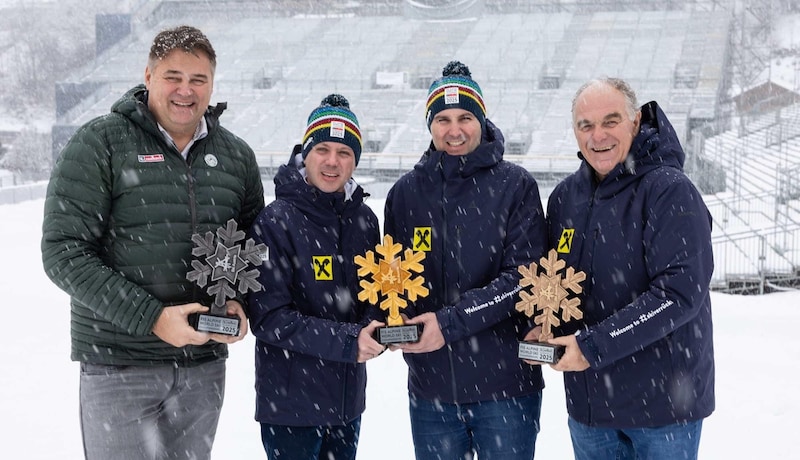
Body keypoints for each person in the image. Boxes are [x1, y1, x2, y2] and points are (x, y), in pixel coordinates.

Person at [40, 25, 265, 460]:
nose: (186, 90)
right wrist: (152, 318)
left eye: (198, 80)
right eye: (173, 76)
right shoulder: (100, 142)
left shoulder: (236, 156)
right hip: (120, 365)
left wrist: (239, 301)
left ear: (212, 85)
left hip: (202, 369)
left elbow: (252, 246)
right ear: (148, 76)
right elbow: (63, 251)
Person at [533, 77, 715, 460]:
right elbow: (559, 283)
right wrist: (549, 324)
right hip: (590, 409)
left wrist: (592, 346)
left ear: (635, 123)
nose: (597, 135)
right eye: (586, 125)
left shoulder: (669, 190)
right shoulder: (566, 198)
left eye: (610, 121)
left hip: (663, 409)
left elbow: (679, 294)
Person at [384, 61, 548, 460]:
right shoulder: (406, 194)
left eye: (464, 117)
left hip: (506, 389)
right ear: (429, 124)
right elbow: (392, 279)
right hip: (432, 391)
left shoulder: (516, 186)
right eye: (442, 119)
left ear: (481, 120)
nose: (453, 130)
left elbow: (521, 280)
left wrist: (448, 322)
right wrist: (392, 321)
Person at [245, 94, 385, 460]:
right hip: (292, 407)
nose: (332, 162)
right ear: (305, 154)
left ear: (356, 160)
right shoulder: (275, 221)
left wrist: (377, 327)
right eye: (323, 149)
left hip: (347, 402)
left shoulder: (365, 221)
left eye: (344, 153)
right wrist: (349, 340)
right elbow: (269, 318)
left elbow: (373, 297)